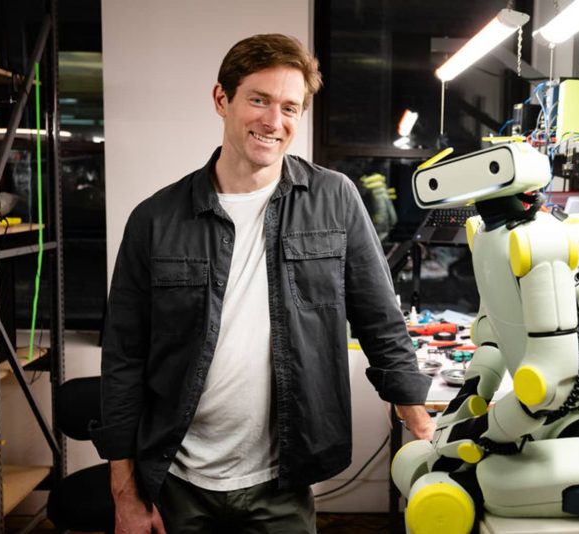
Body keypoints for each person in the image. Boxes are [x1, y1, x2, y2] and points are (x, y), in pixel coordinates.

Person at [91, 33, 434, 533]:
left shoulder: (334, 199)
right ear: (221, 99)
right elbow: (123, 358)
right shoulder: (155, 219)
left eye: (290, 107)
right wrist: (124, 495)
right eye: (259, 100)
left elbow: (380, 321)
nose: (274, 121)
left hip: (282, 483)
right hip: (178, 482)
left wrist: (422, 431)